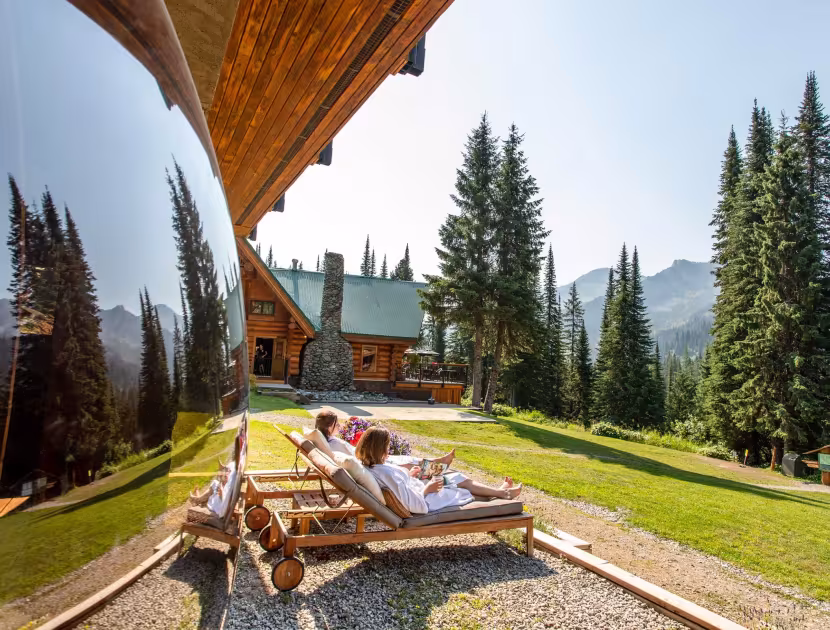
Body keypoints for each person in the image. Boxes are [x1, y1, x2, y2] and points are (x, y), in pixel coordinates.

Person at [355, 426, 521, 514]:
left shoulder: (373, 467)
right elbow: (415, 505)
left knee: (456, 480)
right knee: (459, 487)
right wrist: (428, 489)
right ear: (379, 448)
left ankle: (499, 492)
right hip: (428, 499)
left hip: (420, 489)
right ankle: (502, 494)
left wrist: (410, 475)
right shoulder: (384, 472)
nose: (389, 449)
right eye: (387, 446)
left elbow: (399, 486)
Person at [313, 410, 455, 468]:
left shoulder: (329, 442)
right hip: (370, 463)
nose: (340, 426)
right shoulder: (334, 444)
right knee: (407, 462)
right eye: (336, 424)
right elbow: (353, 458)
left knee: (406, 459)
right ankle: (437, 465)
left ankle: (437, 462)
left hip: (368, 459)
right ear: (329, 427)